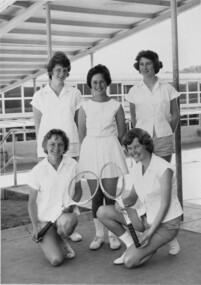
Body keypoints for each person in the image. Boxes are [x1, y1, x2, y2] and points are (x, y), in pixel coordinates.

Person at [97, 128, 183, 268]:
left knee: (129, 261)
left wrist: (150, 232)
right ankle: (132, 244)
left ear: (146, 145)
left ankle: (162, 240)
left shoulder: (164, 168)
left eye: (136, 146)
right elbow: (132, 198)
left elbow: (165, 205)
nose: (133, 151)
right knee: (102, 212)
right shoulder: (137, 168)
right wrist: (121, 203)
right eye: (129, 148)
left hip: (166, 224)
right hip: (145, 219)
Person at [125, 50, 180, 253]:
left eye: (148, 63)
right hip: (141, 143)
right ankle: (150, 229)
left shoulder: (168, 88)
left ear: (156, 65)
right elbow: (133, 120)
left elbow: (175, 115)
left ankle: (170, 237)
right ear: (138, 66)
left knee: (162, 185)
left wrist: (166, 133)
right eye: (141, 64)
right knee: (145, 185)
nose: (145, 67)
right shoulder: (134, 91)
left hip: (164, 139)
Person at [31, 51, 82, 242]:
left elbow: (77, 122)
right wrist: (42, 148)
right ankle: (49, 224)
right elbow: (38, 126)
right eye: (58, 69)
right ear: (51, 71)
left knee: (70, 185)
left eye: (65, 70)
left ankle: (68, 226)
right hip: (48, 148)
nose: (61, 73)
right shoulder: (39, 95)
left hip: (71, 146)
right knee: (50, 186)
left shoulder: (75, 93)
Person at [78, 64, 128, 250]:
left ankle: (114, 235)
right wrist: (89, 149)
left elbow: (122, 134)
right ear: (90, 85)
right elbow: (82, 134)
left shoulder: (116, 105)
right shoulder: (84, 106)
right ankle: (99, 235)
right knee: (96, 197)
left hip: (110, 149)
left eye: (101, 81)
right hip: (91, 149)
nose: (98, 85)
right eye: (94, 82)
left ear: (107, 82)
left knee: (110, 196)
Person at [28, 129, 79, 266]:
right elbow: (32, 202)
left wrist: (72, 205)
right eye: (52, 144)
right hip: (45, 221)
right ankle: (52, 239)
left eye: (60, 144)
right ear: (45, 146)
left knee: (70, 221)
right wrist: (35, 227)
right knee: (56, 260)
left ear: (65, 147)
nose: (56, 148)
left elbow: (78, 190)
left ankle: (62, 239)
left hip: (64, 216)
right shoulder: (37, 171)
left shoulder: (73, 164)